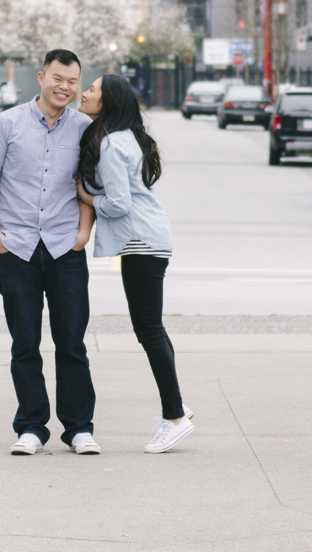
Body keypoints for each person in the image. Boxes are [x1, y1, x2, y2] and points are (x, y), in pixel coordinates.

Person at [0, 49, 98, 456]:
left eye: (73, 81)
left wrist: (83, 234)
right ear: (41, 77)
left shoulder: (84, 129)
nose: (65, 87)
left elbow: (90, 185)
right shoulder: (5, 124)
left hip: (65, 249)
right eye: (58, 78)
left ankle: (79, 429)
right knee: (24, 343)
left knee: (72, 343)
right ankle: (31, 427)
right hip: (17, 249)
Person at [76, 74, 193, 454]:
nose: (84, 93)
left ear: (106, 102)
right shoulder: (129, 138)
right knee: (153, 329)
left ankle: (174, 417)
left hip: (141, 241)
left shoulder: (111, 144)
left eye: (91, 89)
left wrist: (88, 198)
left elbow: (120, 203)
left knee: (149, 331)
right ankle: (176, 409)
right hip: (150, 239)